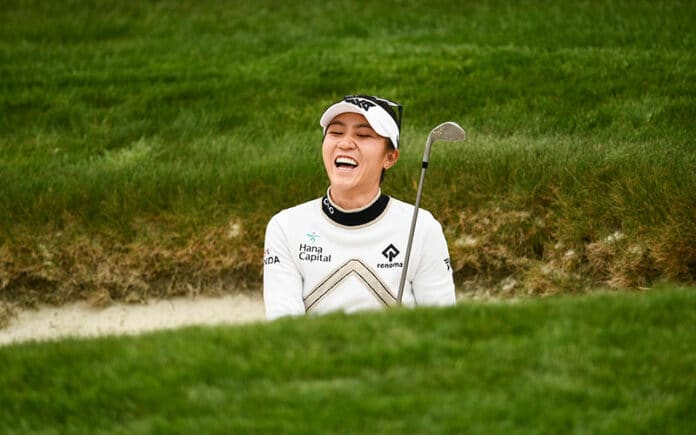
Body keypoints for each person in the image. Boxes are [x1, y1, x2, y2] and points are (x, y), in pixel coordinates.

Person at [263, 94, 455, 320]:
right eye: (335, 132)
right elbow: (285, 329)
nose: (345, 143)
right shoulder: (286, 226)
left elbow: (443, 325)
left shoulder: (421, 227)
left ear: (390, 157)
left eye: (363, 135)